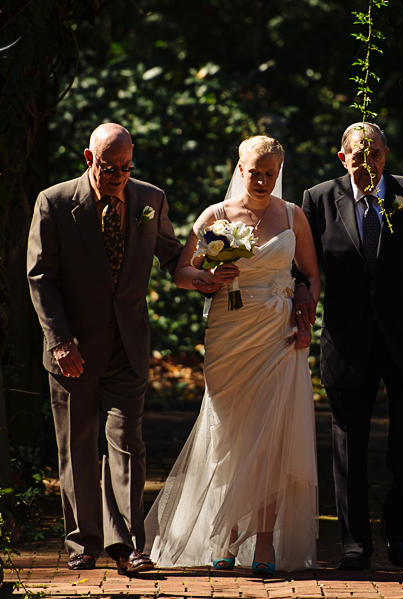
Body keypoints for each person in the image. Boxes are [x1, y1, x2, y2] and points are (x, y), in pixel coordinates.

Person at [27, 123, 212, 575]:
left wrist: (208, 274)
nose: (120, 177)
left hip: (128, 344)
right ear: (90, 160)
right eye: (111, 169)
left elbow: (173, 256)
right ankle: (83, 542)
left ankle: (129, 545)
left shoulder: (151, 199)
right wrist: (59, 341)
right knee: (78, 447)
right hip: (73, 346)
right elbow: (40, 278)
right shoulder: (54, 202)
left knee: (128, 442)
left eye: (128, 168)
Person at [144, 135, 322, 575]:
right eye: (254, 172)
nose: (261, 181)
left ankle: (264, 542)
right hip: (229, 333)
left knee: (274, 441)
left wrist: (306, 311)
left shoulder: (293, 216)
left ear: (278, 174)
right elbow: (182, 273)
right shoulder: (216, 216)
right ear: (239, 169)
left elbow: (313, 275)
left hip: (278, 338)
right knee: (229, 435)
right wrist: (209, 276)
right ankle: (222, 535)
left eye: (270, 174)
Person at [293, 122, 403, 570]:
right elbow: (304, 270)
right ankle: (354, 544)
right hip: (347, 341)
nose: (368, 164)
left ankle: (399, 533)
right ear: (343, 159)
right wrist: (301, 304)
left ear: (386, 155)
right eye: (358, 157)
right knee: (348, 445)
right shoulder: (318, 200)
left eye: (375, 154)